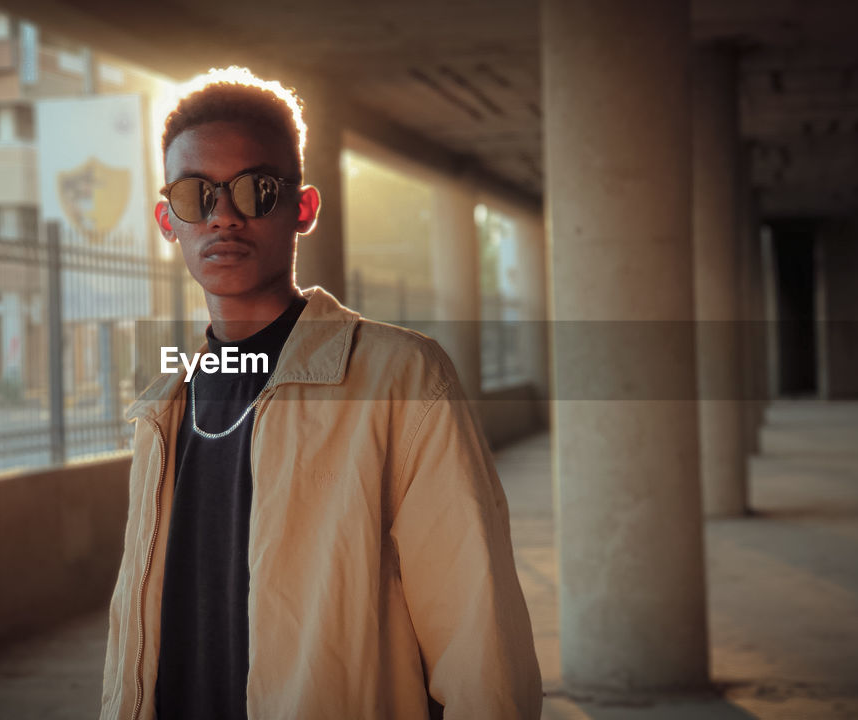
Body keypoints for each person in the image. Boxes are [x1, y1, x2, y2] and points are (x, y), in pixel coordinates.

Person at [100, 66, 542, 720]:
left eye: (256, 189)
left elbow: (481, 649)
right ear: (170, 221)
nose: (224, 216)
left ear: (302, 209)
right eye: (197, 195)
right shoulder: (162, 406)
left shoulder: (401, 379)